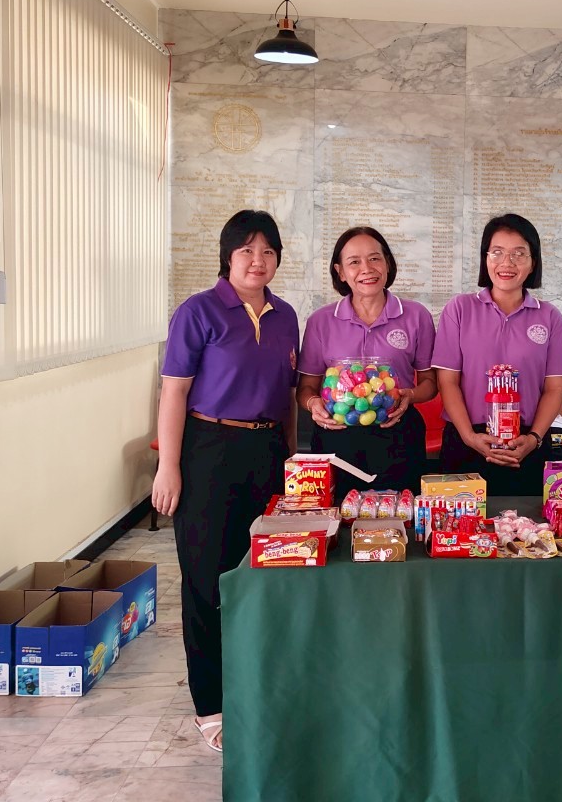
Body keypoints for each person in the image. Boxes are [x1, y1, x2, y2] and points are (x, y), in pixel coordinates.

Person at [151, 210, 299, 754]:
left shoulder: (286, 316)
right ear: (228, 256)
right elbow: (174, 392)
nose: (257, 261)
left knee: (264, 574)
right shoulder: (198, 311)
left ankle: (256, 689)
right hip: (208, 450)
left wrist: (291, 459)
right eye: (246, 251)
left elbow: (288, 396)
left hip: (267, 451)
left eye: (267, 251)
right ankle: (210, 706)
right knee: (207, 581)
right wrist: (169, 466)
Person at [433, 213, 562, 496]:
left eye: (519, 254)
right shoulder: (459, 309)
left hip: (526, 442)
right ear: (485, 258)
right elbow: (447, 382)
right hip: (466, 439)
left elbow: (554, 388)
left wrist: (534, 439)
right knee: (462, 522)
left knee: (527, 521)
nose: (507, 263)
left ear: (533, 262)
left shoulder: (550, 317)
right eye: (497, 252)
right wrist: (470, 437)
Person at [296, 226, 437, 499]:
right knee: (337, 513)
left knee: (399, 513)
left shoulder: (416, 316)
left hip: (397, 433)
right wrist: (314, 405)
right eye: (354, 262)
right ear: (340, 271)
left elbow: (430, 383)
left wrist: (409, 395)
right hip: (337, 435)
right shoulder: (321, 321)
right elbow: (306, 388)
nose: (366, 269)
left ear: (387, 263)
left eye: (374, 258)